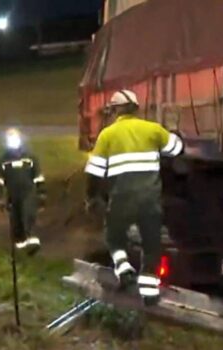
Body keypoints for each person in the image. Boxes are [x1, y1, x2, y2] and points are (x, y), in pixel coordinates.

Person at [84, 89, 184, 306]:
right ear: (136, 108)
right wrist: (174, 132)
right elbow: (177, 148)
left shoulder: (107, 135)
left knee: (114, 235)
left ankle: (123, 267)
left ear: (116, 110)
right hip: (149, 198)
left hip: (122, 198)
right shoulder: (152, 130)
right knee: (151, 241)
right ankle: (149, 292)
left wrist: (92, 198)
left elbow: (94, 172)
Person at [0, 128, 45, 255]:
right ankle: (20, 245)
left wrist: (41, 193)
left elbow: (38, 176)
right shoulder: (3, 159)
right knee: (15, 218)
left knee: (28, 214)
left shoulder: (30, 158)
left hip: (28, 192)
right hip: (12, 193)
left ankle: (31, 240)